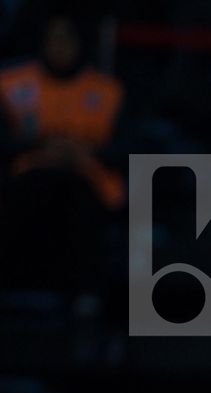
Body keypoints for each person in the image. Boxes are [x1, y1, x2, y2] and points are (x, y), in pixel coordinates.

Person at [0, 15, 124, 294]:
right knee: (28, 196)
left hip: (88, 180)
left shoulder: (108, 91)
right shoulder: (10, 84)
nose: (60, 47)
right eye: (53, 38)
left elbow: (126, 146)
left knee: (79, 203)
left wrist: (82, 151)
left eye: (67, 39)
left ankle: (85, 299)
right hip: (27, 178)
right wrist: (42, 146)